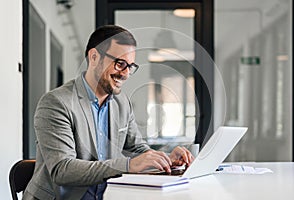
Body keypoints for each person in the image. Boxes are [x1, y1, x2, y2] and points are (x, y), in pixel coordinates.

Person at [23, 25, 194, 200]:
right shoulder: (56, 102)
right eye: (120, 64)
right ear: (94, 57)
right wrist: (128, 165)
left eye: (130, 66)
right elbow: (63, 170)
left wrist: (164, 159)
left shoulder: (122, 104)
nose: (126, 74)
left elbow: (137, 148)